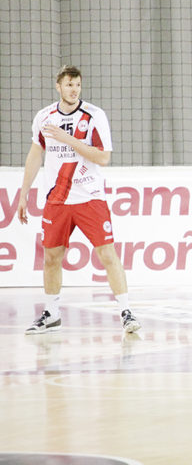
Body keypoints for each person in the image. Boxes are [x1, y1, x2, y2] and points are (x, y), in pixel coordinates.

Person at [18, 66, 141, 335]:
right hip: (57, 198)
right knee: (51, 256)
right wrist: (24, 192)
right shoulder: (44, 117)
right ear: (58, 86)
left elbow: (103, 158)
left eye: (78, 85)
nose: (74, 89)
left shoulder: (94, 116)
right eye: (69, 84)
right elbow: (35, 154)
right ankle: (51, 313)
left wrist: (69, 139)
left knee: (107, 253)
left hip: (89, 196)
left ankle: (126, 311)